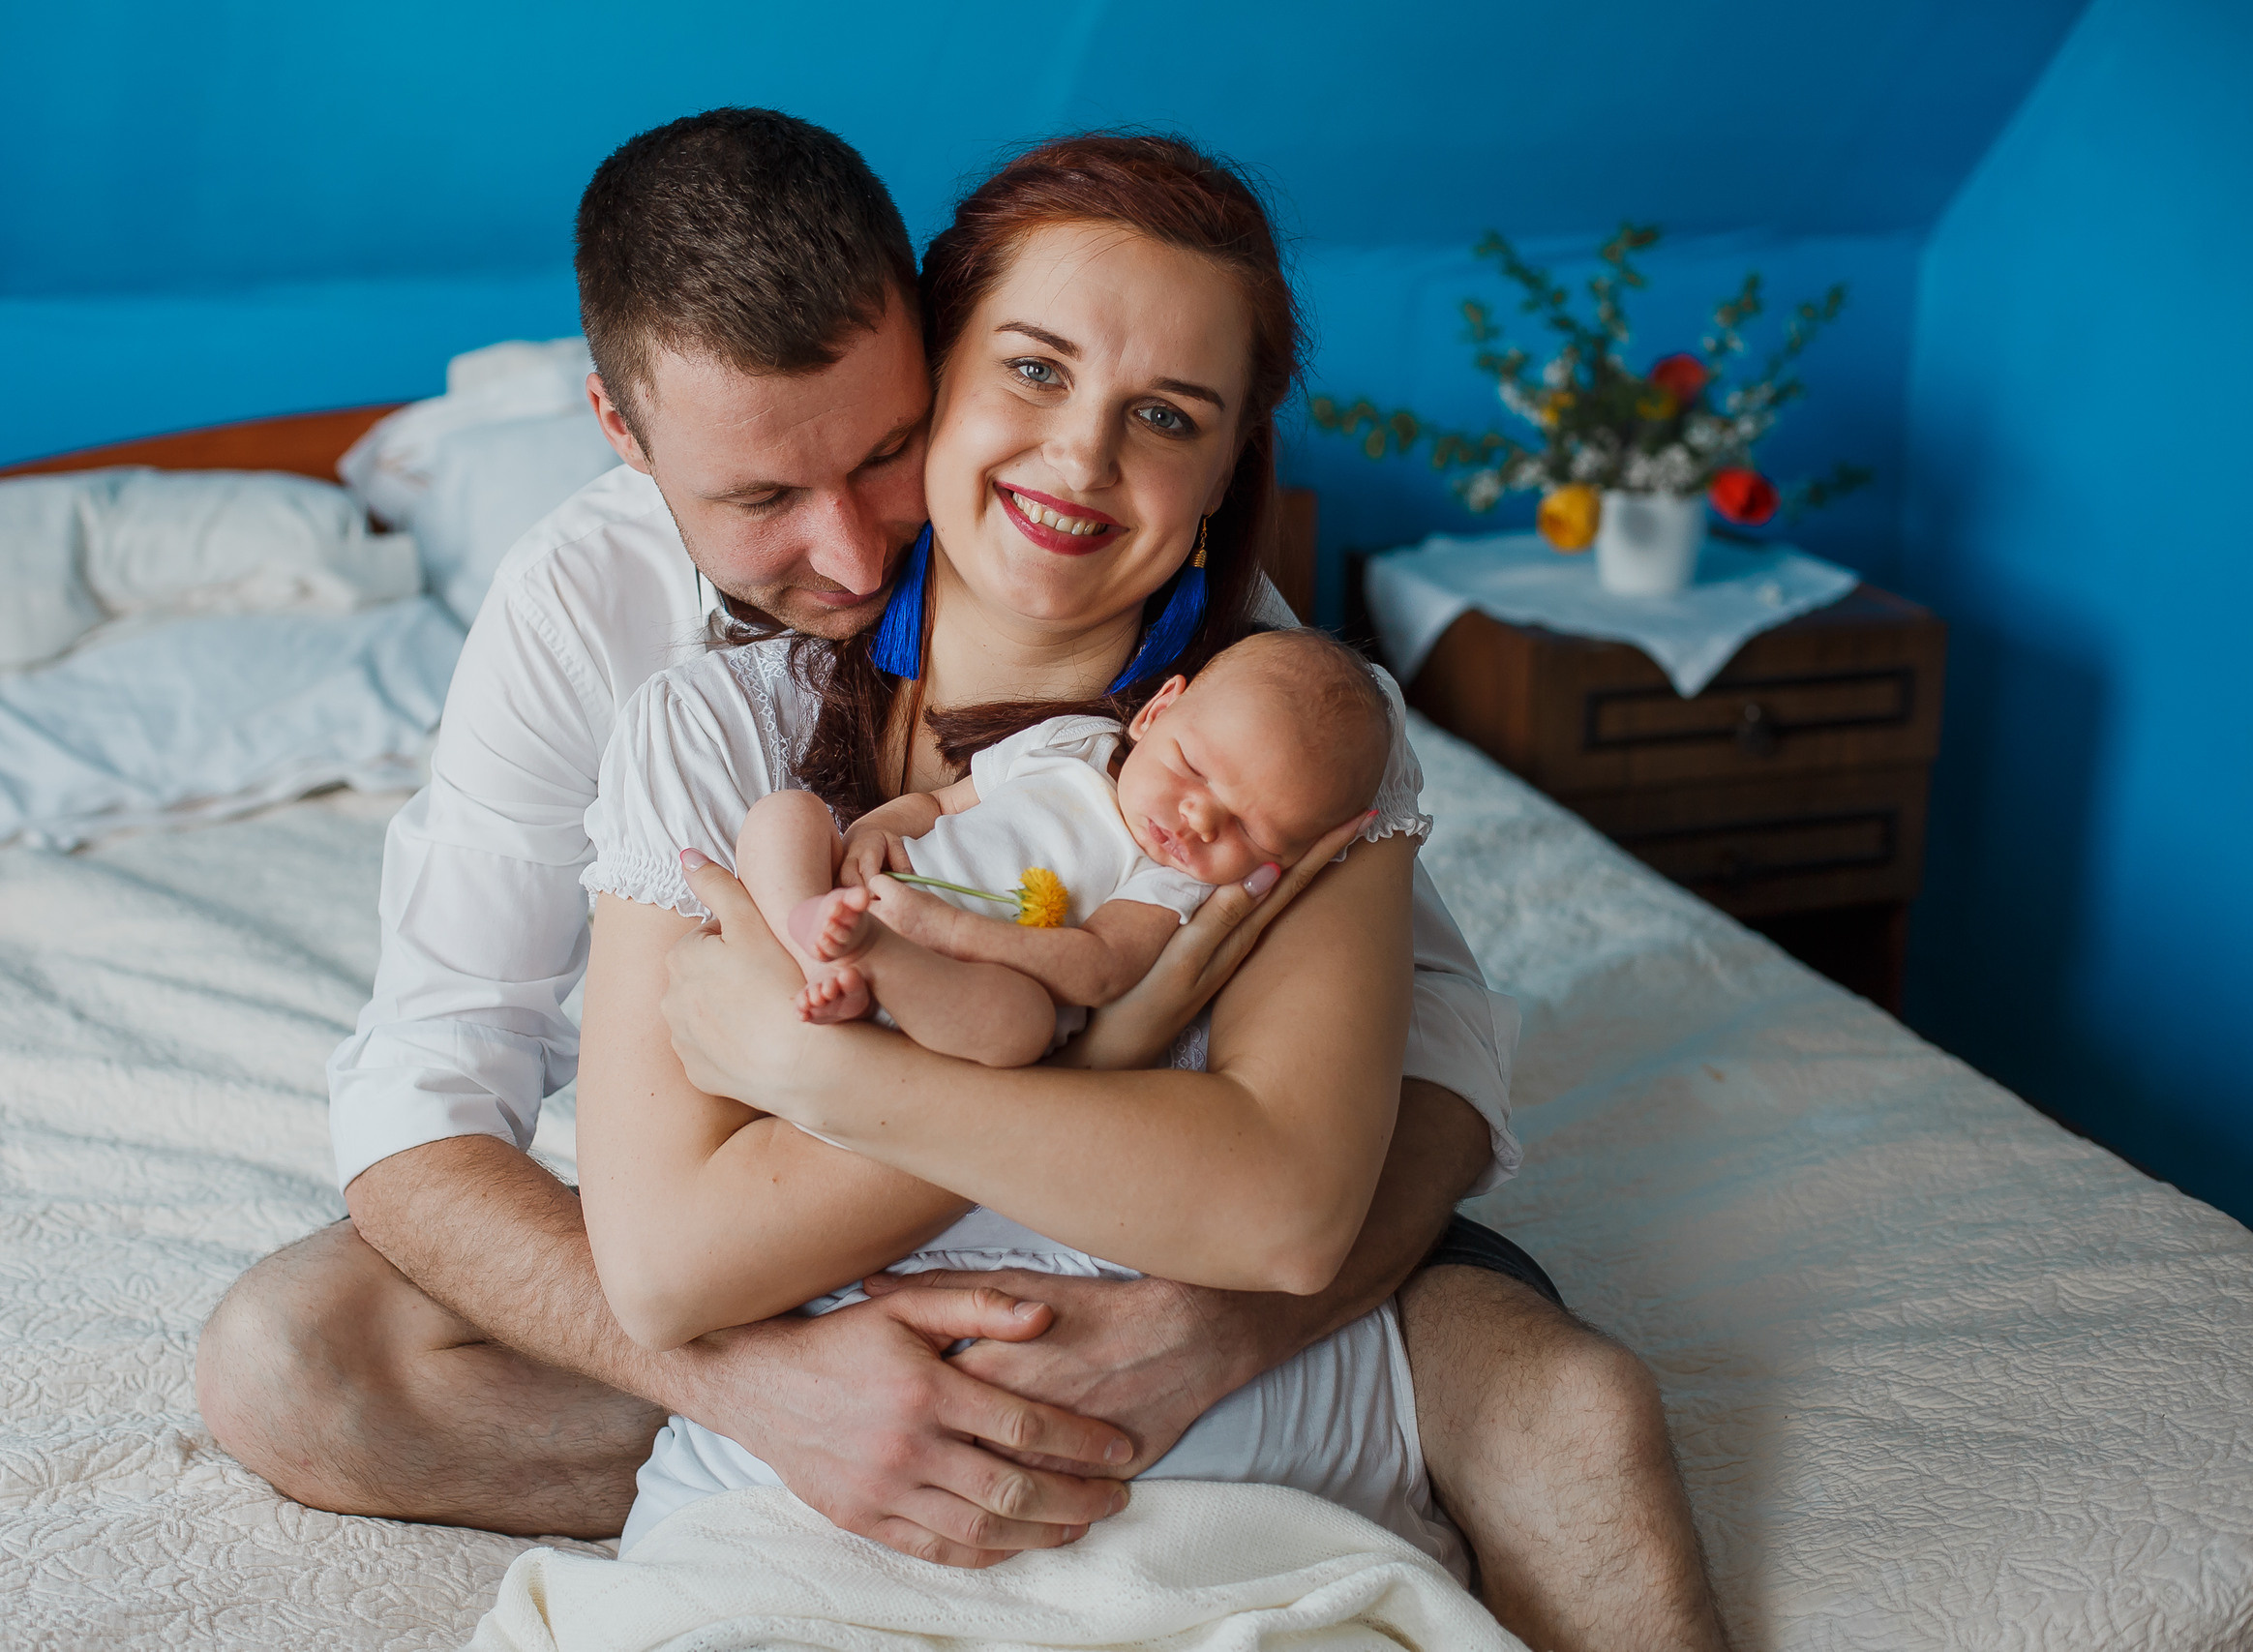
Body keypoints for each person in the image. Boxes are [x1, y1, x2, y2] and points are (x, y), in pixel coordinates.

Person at [193, 109, 1727, 1651]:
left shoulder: (1201, 644)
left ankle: (1150, 1430)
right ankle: (904, 1445)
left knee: (1562, 1393)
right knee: (296, 1353)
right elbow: (430, 1099)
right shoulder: (624, 651)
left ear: (928, 351)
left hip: (1189, 1194)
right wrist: (754, 1382)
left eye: (881, 455)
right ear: (621, 426)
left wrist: (1229, 1317)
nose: (856, 559)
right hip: (781, 1213)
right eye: (760, 504)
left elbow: (1418, 1065)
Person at [745, 629, 1392, 1066]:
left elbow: (1101, 966)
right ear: (1156, 712)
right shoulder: (1072, 743)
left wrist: (938, 928)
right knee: (787, 815)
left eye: (1251, 832)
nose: (1199, 819)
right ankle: (820, 952)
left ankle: (872, 960)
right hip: (891, 879)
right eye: (1193, 766)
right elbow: (941, 804)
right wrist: (876, 832)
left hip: (964, 987)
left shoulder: (1171, 880)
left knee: (1022, 1025)